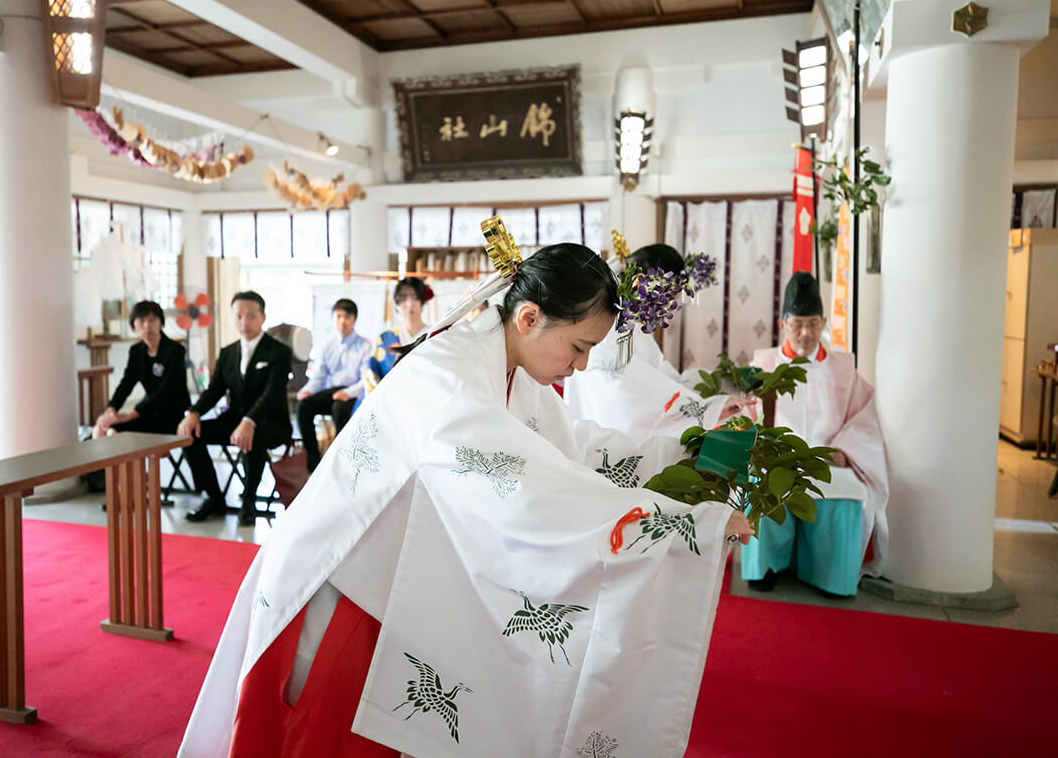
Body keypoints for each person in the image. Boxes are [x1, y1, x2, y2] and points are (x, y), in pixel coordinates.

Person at [179, 243, 753, 758]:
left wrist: (683, 451)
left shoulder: (507, 365)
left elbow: (571, 448)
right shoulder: (453, 376)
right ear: (529, 318)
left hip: (394, 577)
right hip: (347, 581)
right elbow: (531, 489)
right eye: (579, 347)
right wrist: (683, 525)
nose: (581, 367)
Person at [741, 271, 890, 596]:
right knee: (760, 478)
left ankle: (828, 573)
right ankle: (765, 565)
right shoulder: (763, 366)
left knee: (845, 487)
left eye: (813, 324)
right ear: (783, 324)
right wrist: (757, 442)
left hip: (826, 458)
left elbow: (864, 417)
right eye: (797, 324)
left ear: (824, 323)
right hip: (776, 457)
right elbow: (745, 415)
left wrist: (845, 452)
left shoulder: (843, 370)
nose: (806, 333)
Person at [565, 243, 744, 437]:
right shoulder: (613, 329)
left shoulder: (627, 327)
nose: (668, 307)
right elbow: (631, 398)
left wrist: (719, 394)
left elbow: (665, 380)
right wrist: (709, 409)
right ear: (642, 281)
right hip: (612, 430)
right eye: (668, 296)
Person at [177, 291, 292, 526]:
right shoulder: (228, 353)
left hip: (270, 422)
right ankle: (214, 498)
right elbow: (214, 390)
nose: (244, 322)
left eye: (250, 316)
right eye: (239, 316)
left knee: (252, 436)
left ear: (262, 317)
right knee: (190, 435)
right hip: (234, 419)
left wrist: (249, 421)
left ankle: (248, 501)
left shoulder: (279, 352)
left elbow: (271, 394)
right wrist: (193, 413)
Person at [94, 300, 190, 439]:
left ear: (161, 323)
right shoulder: (136, 351)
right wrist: (111, 409)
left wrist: (131, 415)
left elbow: (166, 390)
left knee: (115, 432)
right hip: (148, 411)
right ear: (134, 326)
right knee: (102, 428)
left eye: (152, 320)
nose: (147, 326)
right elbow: (126, 384)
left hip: (172, 414)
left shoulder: (175, 350)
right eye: (141, 321)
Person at [295, 298, 372, 471]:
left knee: (339, 408)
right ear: (333, 318)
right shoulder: (327, 345)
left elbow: (365, 380)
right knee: (303, 406)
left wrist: (348, 393)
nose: (342, 321)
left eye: (347, 317)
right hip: (331, 391)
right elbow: (319, 376)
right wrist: (307, 390)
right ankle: (313, 461)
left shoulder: (365, 346)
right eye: (338, 316)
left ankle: (340, 461)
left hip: (353, 393)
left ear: (354, 320)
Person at [365, 277, 431, 390]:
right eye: (403, 298)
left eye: (415, 297)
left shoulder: (435, 334)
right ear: (395, 303)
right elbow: (372, 376)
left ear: (423, 301)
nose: (409, 304)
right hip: (391, 397)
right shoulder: (384, 339)